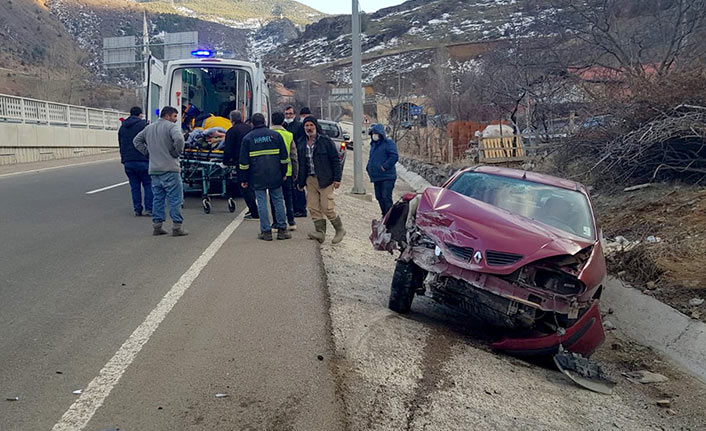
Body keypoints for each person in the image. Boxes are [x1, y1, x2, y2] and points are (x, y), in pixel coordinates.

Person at [133, 106, 188, 237]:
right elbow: (179, 139)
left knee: (158, 198)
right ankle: (177, 227)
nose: (176, 119)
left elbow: (136, 141)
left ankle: (157, 226)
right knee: (175, 198)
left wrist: (148, 153)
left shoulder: (149, 128)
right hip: (170, 168)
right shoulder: (171, 127)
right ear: (168, 116)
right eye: (174, 116)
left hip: (154, 169)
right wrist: (177, 152)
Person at [239, 113, 291, 241]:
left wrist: (243, 179)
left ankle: (266, 231)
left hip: (257, 176)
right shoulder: (276, 136)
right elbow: (284, 158)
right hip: (275, 174)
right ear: (265, 121)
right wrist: (284, 173)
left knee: (261, 202)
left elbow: (244, 162)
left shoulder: (247, 138)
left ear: (252, 123)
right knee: (278, 201)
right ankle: (282, 230)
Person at [296, 116, 345, 244]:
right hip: (310, 179)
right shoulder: (301, 142)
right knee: (313, 207)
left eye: (311, 125)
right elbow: (300, 164)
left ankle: (339, 229)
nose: (309, 128)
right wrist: (300, 182)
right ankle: (320, 232)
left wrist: (337, 179)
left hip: (325, 179)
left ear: (316, 126)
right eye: (306, 126)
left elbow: (335, 160)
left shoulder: (325, 141)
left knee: (327, 207)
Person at [223, 110, 259, 220]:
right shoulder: (249, 128)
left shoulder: (232, 131)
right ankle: (254, 209)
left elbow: (228, 149)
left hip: (241, 161)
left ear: (231, 119)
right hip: (254, 160)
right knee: (251, 186)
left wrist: (225, 162)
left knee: (244, 186)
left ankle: (254, 212)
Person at [118, 106, 151, 217]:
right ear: (140, 114)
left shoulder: (122, 127)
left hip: (128, 161)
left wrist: (123, 158)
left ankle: (137, 209)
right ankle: (149, 208)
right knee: (148, 184)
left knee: (134, 186)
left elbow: (121, 144)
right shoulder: (144, 125)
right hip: (143, 159)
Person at [269, 112, 298, 231]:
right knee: (288, 197)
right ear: (282, 122)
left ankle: (276, 223)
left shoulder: (269, 134)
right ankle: (291, 221)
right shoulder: (289, 135)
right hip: (288, 171)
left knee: (274, 198)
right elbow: (294, 156)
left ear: (271, 121)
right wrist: (295, 172)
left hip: (272, 171)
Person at [366, 123, 399, 217]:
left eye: (376, 133)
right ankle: (384, 215)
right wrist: (369, 167)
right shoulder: (373, 145)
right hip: (376, 177)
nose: (374, 135)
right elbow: (372, 158)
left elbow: (394, 156)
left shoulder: (388, 143)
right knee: (379, 197)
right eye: (373, 133)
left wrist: (384, 166)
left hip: (387, 176)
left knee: (386, 197)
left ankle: (390, 218)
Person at [286, 106, 309, 217]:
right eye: (286, 114)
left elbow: (302, 141)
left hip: (297, 157)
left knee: (298, 185)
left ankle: (301, 209)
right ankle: (293, 208)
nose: (288, 116)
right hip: (287, 159)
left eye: (290, 114)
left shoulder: (299, 126)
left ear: (294, 115)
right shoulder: (284, 126)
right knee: (290, 187)